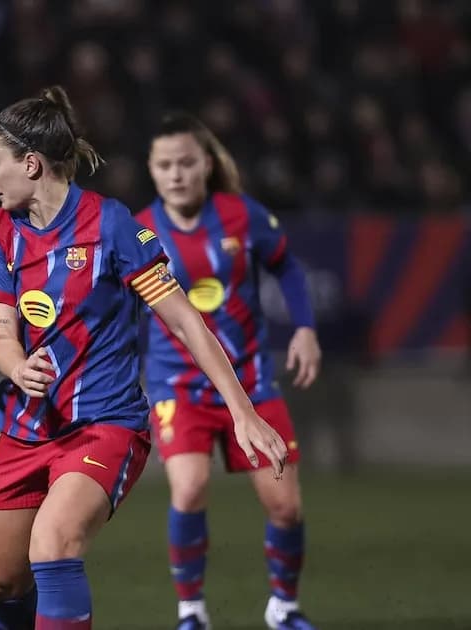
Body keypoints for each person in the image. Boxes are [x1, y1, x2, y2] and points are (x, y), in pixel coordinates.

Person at [0, 86, 288, 630]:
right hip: (26, 426)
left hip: (104, 424)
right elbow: (2, 331)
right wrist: (16, 366)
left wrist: (243, 411)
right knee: (0, 581)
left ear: (30, 164)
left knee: (53, 545)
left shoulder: (112, 225)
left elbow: (185, 320)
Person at [138, 112, 321, 630]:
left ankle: (283, 607)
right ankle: (191, 611)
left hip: (252, 382)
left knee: (285, 506)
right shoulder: (139, 230)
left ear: (206, 164)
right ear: (151, 170)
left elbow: (287, 266)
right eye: (165, 165)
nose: (176, 174)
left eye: (185, 163)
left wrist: (305, 329)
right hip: (178, 384)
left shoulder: (242, 215)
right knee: (189, 488)